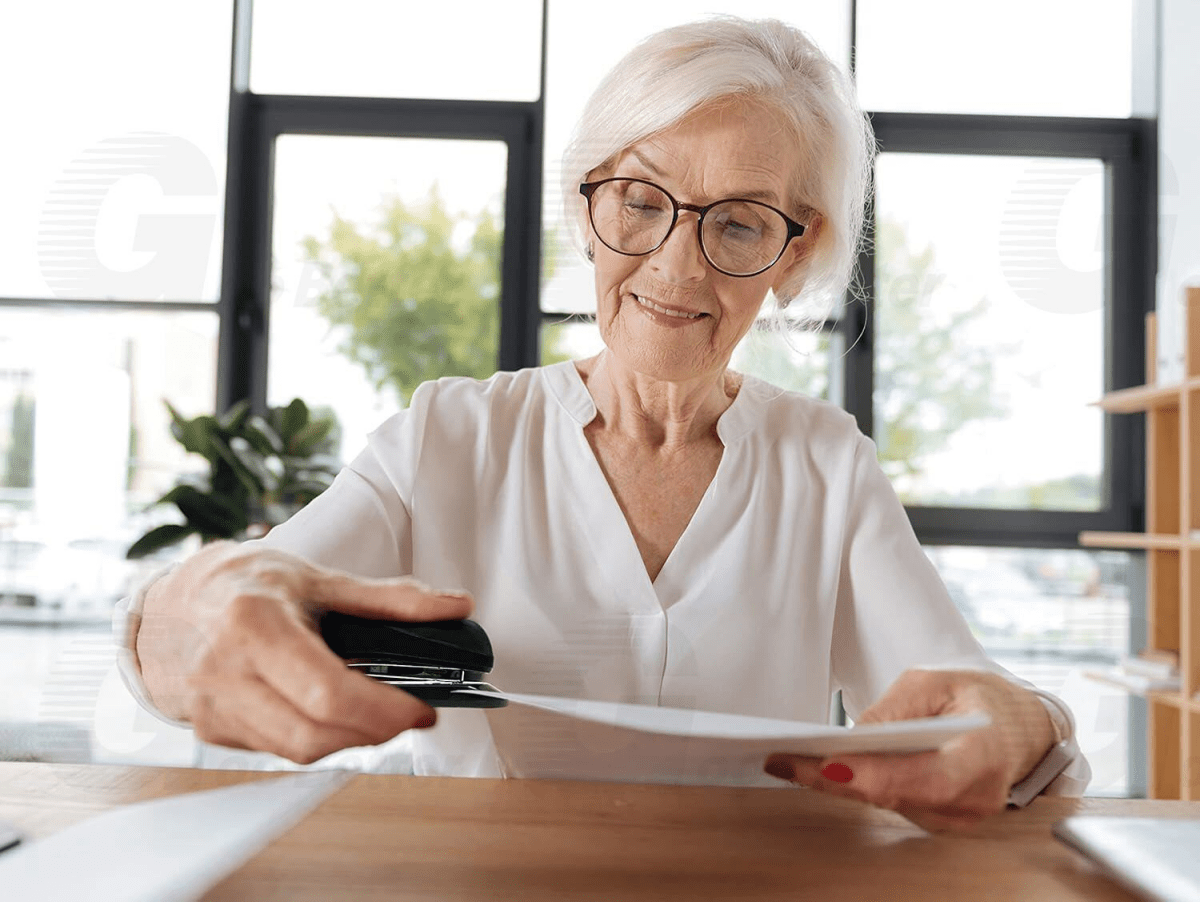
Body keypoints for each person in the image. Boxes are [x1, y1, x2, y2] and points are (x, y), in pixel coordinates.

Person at [116, 16, 1089, 831]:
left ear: (798, 253)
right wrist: (173, 623)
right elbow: (236, 603)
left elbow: (976, 703)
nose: (675, 264)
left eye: (740, 222)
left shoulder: (825, 463)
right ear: (587, 208)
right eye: (639, 200)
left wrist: (1028, 724)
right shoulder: (451, 434)